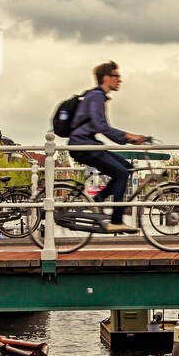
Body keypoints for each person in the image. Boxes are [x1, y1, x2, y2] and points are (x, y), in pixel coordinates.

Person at [68, 61, 149, 232]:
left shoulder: (95, 96)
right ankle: (116, 220)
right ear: (106, 78)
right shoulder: (96, 96)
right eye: (116, 76)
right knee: (122, 173)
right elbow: (101, 126)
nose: (119, 80)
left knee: (128, 168)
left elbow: (98, 126)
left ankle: (97, 202)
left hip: (88, 144)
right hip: (83, 145)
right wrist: (129, 137)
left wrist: (128, 138)